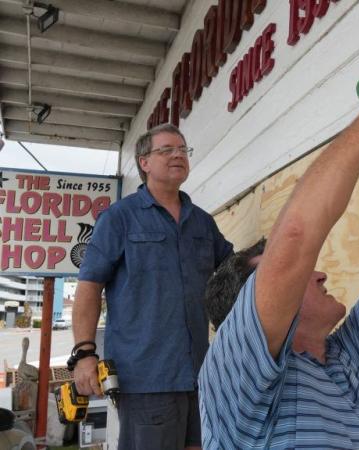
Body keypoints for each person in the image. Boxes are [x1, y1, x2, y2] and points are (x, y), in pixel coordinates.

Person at [199, 74, 359, 449]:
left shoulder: (346, 358)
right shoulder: (236, 377)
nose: (319, 273)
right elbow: (294, 236)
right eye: (299, 275)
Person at [72, 123, 233, 450]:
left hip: (201, 375)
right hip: (146, 377)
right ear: (144, 162)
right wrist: (84, 353)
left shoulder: (202, 222)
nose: (178, 155)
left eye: (183, 150)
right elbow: (89, 286)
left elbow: (234, 268)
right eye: (167, 150)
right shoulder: (119, 218)